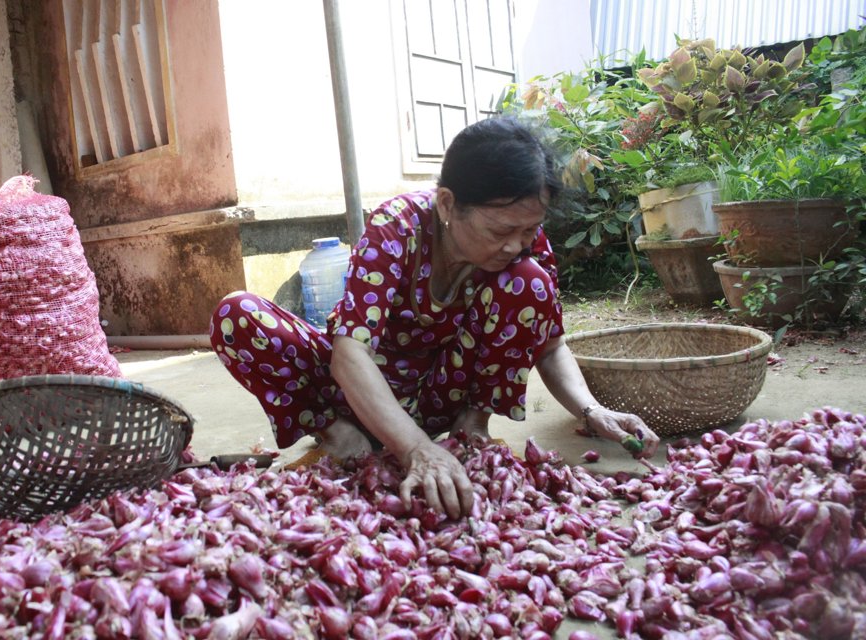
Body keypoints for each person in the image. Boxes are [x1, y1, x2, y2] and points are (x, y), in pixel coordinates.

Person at [210, 117, 659, 519]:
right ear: (447, 204)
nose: (515, 245)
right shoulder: (397, 228)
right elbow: (349, 353)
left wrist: (591, 409)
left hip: (443, 392)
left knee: (530, 282)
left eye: (528, 230)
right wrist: (416, 449)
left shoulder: (525, 244)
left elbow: (551, 343)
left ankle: (471, 430)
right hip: (358, 392)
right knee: (237, 313)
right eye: (501, 230)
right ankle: (340, 435)